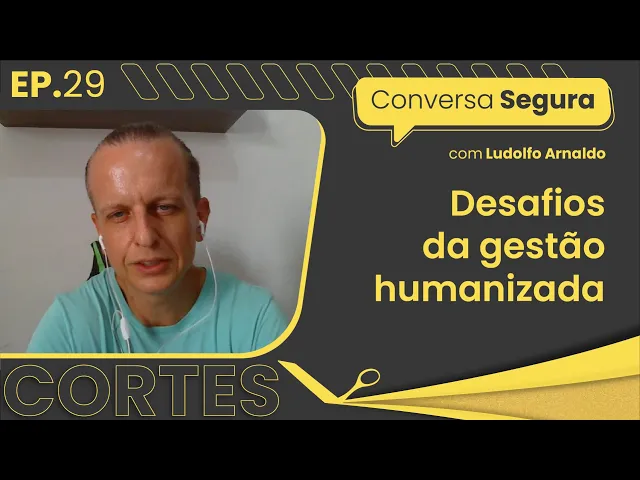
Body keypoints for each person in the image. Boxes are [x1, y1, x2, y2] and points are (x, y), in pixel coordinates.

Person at [27, 122, 288, 354]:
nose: (145, 237)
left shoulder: (256, 319)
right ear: (100, 231)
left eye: (164, 208)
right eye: (119, 214)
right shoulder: (69, 326)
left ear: (200, 217)